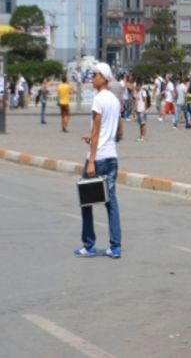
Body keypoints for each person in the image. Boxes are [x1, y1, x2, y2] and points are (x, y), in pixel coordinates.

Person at [75, 62, 123, 258]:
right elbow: (118, 130)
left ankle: (89, 244)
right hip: (112, 156)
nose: (92, 77)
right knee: (111, 201)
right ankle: (115, 246)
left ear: (103, 77)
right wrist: (104, 137)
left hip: (99, 157)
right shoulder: (115, 100)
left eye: (95, 74)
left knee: (86, 200)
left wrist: (92, 159)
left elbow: (96, 129)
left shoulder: (99, 99)